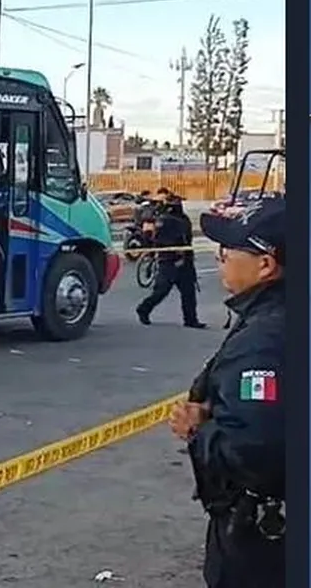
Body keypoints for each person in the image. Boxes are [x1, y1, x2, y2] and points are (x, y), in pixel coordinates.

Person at [169, 198, 285, 588]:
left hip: (264, 543)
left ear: (265, 264)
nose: (220, 258)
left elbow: (254, 451)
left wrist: (197, 430)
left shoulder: (264, 341)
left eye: (228, 250)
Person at [136, 192, 206, 328]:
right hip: (169, 261)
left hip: (185, 261)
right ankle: (144, 309)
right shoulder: (164, 220)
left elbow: (187, 237)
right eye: (175, 202)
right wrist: (175, 250)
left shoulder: (183, 218)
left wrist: (185, 254)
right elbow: (159, 240)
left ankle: (191, 320)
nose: (178, 204)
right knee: (161, 291)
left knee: (189, 293)